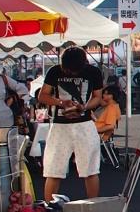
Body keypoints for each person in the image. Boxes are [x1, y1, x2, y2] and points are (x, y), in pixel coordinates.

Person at [37, 46, 104, 202]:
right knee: (53, 170)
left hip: (84, 124)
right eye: (68, 70)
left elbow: (97, 97)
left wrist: (84, 107)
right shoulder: (54, 71)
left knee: (90, 170)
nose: (72, 73)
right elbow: (42, 96)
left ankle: (92, 206)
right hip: (60, 125)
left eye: (75, 71)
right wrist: (61, 102)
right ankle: (49, 208)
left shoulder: (93, 72)